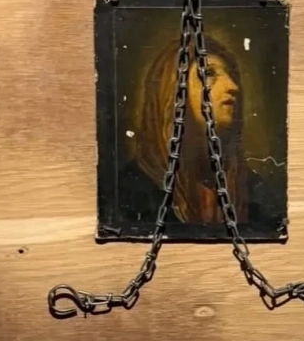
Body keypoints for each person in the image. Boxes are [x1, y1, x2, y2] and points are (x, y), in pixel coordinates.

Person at [118, 34, 276, 228]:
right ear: (172, 92)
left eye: (231, 76)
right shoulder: (133, 192)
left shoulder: (255, 193)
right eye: (208, 73)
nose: (233, 86)